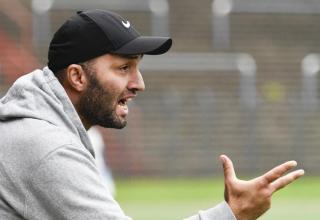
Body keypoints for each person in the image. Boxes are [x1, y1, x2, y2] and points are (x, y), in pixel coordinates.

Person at [0, 9, 304, 220]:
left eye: (137, 67)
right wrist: (233, 213)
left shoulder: (32, 129)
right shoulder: (48, 149)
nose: (139, 84)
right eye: (123, 68)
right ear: (77, 77)